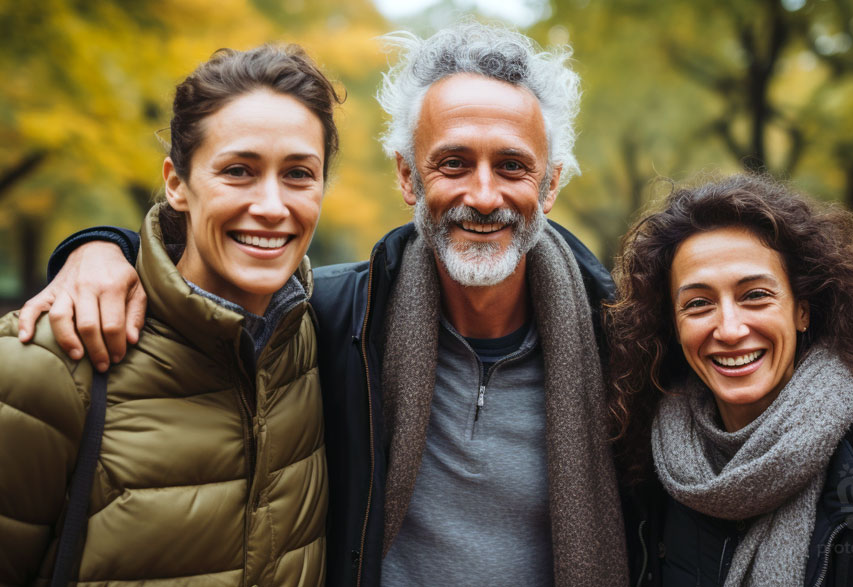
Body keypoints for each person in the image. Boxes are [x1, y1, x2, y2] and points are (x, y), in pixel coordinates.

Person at [18, 23, 629, 586]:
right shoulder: (337, 320)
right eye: (453, 163)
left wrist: (102, 247)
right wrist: (102, 249)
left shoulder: (623, 347)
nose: (484, 193)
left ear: (550, 185)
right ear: (408, 177)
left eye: (514, 166)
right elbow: (207, 298)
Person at [0, 44, 340, 584]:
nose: (273, 206)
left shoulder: (326, 341)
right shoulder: (46, 363)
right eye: (238, 171)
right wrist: (94, 246)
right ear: (177, 184)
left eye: (299, 173)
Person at [606, 174, 853, 586]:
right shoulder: (647, 478)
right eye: (698, 304)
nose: (730, 329)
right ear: (673, 327)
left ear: (802, 310)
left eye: (755, 295)